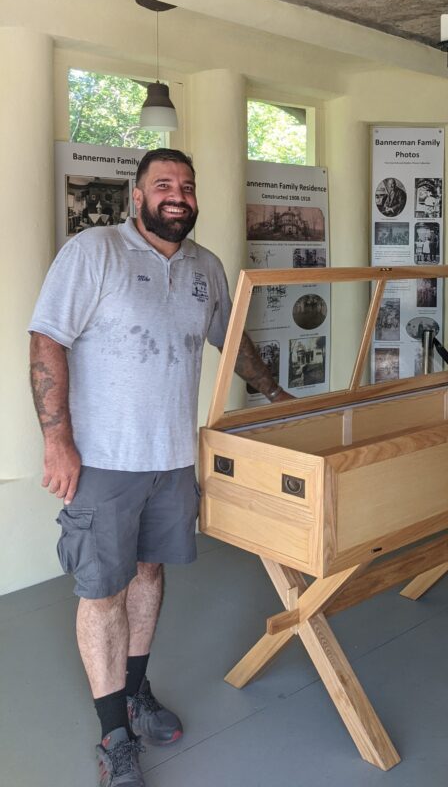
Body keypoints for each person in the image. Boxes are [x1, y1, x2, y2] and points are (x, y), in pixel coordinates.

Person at [29, 148, 291, 787]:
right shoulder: (94, 252)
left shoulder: (207, 267)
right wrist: (57, 441)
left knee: (148, 573)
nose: (178, 195)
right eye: (164, 184)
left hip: (172, 458)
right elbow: (46, 340)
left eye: (188, 186)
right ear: (138, 195)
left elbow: (232, 342)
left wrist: (276, 396)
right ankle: (113, 734)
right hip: (105, 460)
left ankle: (134, 691)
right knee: (103, 591)